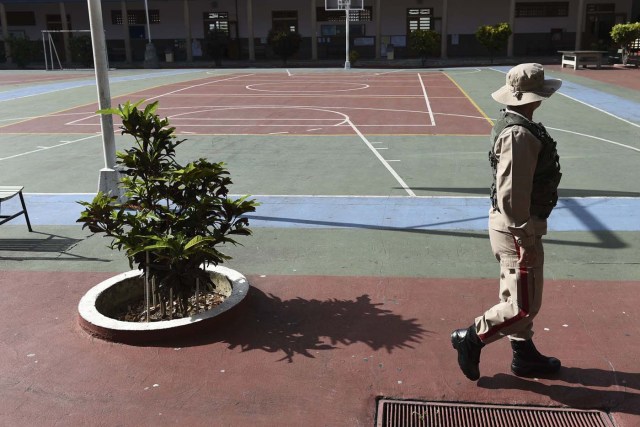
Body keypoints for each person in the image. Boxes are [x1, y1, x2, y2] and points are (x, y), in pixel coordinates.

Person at [451, 63, 563, 381]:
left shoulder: (517, 124)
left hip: (516, 225)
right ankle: (470, 339)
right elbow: (512, 197)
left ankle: (524, 356)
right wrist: (525, 240)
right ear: (537, 97)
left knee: (515, 295)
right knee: (524, 305)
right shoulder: (519, 134)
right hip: (517, 228)